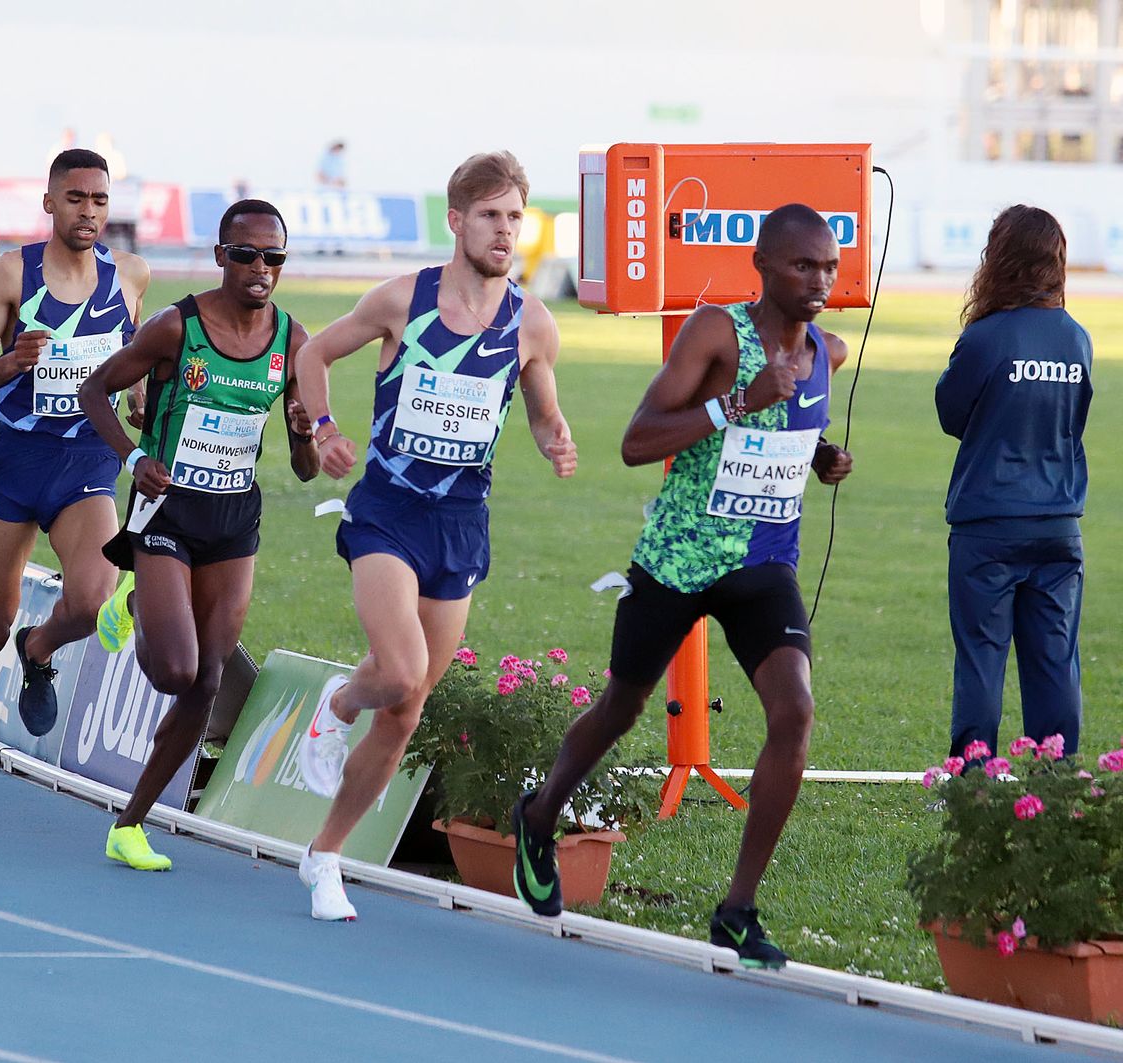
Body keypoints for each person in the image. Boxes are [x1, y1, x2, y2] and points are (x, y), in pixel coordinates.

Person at [514, 204, 854, 970]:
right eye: (803, 265)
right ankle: (538, 815)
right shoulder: (716, 333)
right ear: (762, 266)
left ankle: (737, 910)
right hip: (678, 558)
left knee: (795, 711)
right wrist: (740, 400)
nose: (819, 280)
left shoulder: (827, 352)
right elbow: (638, 442)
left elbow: (786, 432)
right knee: (623, 706)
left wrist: (821, 456)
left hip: (762, 564)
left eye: (829, 267)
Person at [291, 151, 576, 920]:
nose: (505, 230)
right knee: (399, 670)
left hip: (461, 525)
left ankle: (325, 854)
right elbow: (313, 351)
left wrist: (555, 439)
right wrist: (324, 429)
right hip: (388, 511)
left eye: (515, 216)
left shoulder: (532, 322)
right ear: (456, 220)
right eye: (490, 215)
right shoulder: (404, 299)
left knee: (408, 708)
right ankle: (338, 701)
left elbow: (543, 410)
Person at [77, 200, 318, 870]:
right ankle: (136, 601)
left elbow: (304, 467)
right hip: (166, 512)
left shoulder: (293, 340)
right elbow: (95, 391)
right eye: (246, 254)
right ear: (220, 256)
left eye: (274, 257)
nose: (260, 268)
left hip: (234, 520)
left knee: (206, 682)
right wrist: (133, 457)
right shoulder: (174, 327)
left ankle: (130, 825)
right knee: (174, 669)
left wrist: (303, 432)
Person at [0, 149, 149, 821]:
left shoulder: (130, 275)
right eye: (75, 198)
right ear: (50, 203)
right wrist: (11, 363)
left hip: (88, 460)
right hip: (18, 458)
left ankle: (40, 647)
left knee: (92, 597)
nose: (88, 211)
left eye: (99, 200)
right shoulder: (9, 275)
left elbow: (133, 364)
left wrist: (141, 402)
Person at [936, 205, 1089, 760]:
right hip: (1059, 524)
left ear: (999, 258)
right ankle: (1056, 782)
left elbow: (951, 415)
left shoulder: (985, 337)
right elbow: (1073, 421)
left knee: (982, 658)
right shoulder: (1076, 338)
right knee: (1055, 662)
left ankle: (973, 782)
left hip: (989, 524)